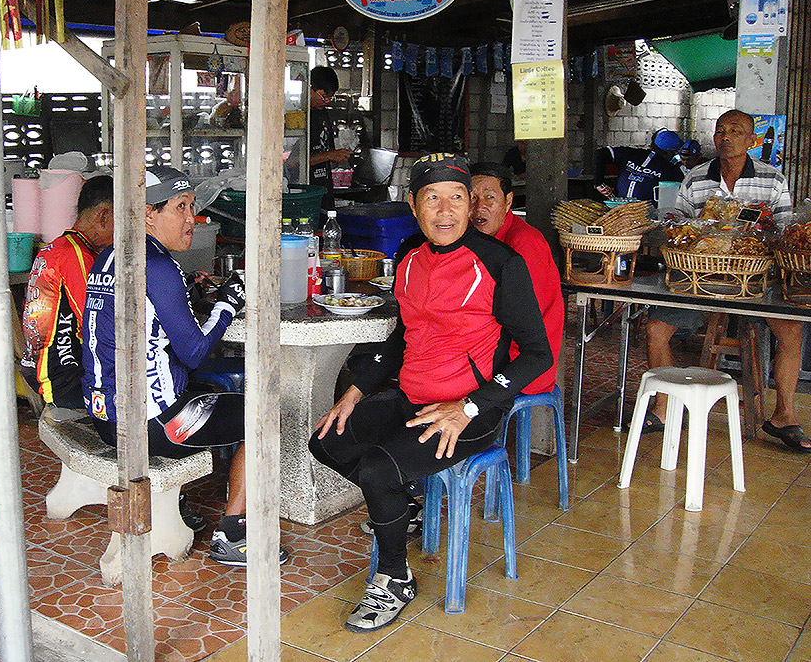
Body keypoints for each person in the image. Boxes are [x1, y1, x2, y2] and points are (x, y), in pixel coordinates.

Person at [309, 153, 552, 633]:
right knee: (326, 440)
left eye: (456, 198)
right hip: (412, 398)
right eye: (432, 198)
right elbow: (402, 337)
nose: (445, 211)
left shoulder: (500, 263)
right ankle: (400, 503)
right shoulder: (408, 257)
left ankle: (394, 576)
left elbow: (537, 355)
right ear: (413, 205)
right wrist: (355, 390)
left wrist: (470, 407)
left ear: (470, 203)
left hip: (470, 413)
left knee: (378, 468)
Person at [81, 166, 288, 565]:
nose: (192, 218)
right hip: (153, 425)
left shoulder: (108, 256)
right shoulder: (158, 266)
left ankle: (178, 505)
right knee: (264, 414)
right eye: (181, 207)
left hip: (106, 417)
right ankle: (233, 533)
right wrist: (228, 304)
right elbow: (194, 352)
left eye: (192, 206)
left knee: (205, 391)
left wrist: (186, 289)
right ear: (148, 214)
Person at [645, 110, 809, 452]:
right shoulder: (695, 178)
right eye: (720, 130)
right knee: (656, 328)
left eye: (736, 131)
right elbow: (681, 225)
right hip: (700, 277)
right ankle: (663, 406)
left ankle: (784, 415)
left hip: (754, 280)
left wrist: (761, 231)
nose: (726, 137)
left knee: (792, 330)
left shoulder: (772, 179)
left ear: (751, 140)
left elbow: (783, 234)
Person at [22, 175, 114, 409]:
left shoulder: (56, 247)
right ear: (103, 216)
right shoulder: (75, 255)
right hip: (62, 380)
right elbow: (95, 322)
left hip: (38, 368)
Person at [469, 163, 563, 395]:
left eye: (490, 198)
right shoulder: (476, 239)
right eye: (472, 198)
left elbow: (526, 321)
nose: (479, 207)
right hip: (491, 349)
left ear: (508, 201)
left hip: (523, 365)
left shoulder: (524, 244)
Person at [595, 128, 686, 203]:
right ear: (670, 153)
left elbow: (600, 153)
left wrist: (598, 183)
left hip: (619, 209)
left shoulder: (631, 153)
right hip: (644, 214)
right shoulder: (671, 170)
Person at [308, 65, 351, 213]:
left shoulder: (323, 113)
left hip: (324, 187)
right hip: (307, 190)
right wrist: (329, 155)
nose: (326, 101)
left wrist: (336, 156)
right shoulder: (300, 117)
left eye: (329, 97)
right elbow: (295, 161)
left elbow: (326, 149)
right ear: (310, 89)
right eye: (323, 96)